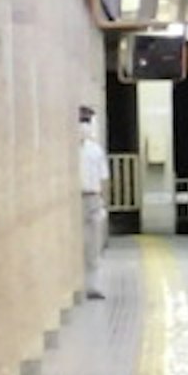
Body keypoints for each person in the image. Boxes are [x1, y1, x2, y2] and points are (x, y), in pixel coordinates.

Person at [78, 103, 109, 295]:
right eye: (82, 121)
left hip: (93, 197)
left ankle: (93, 286)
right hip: (74, 198)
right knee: (79, 242)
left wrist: (103, 202)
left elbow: (103, 178)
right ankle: (80, 284)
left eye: (87, 121)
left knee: (93, 243)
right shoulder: (67, 150)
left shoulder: (95, 150)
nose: (84, 126)